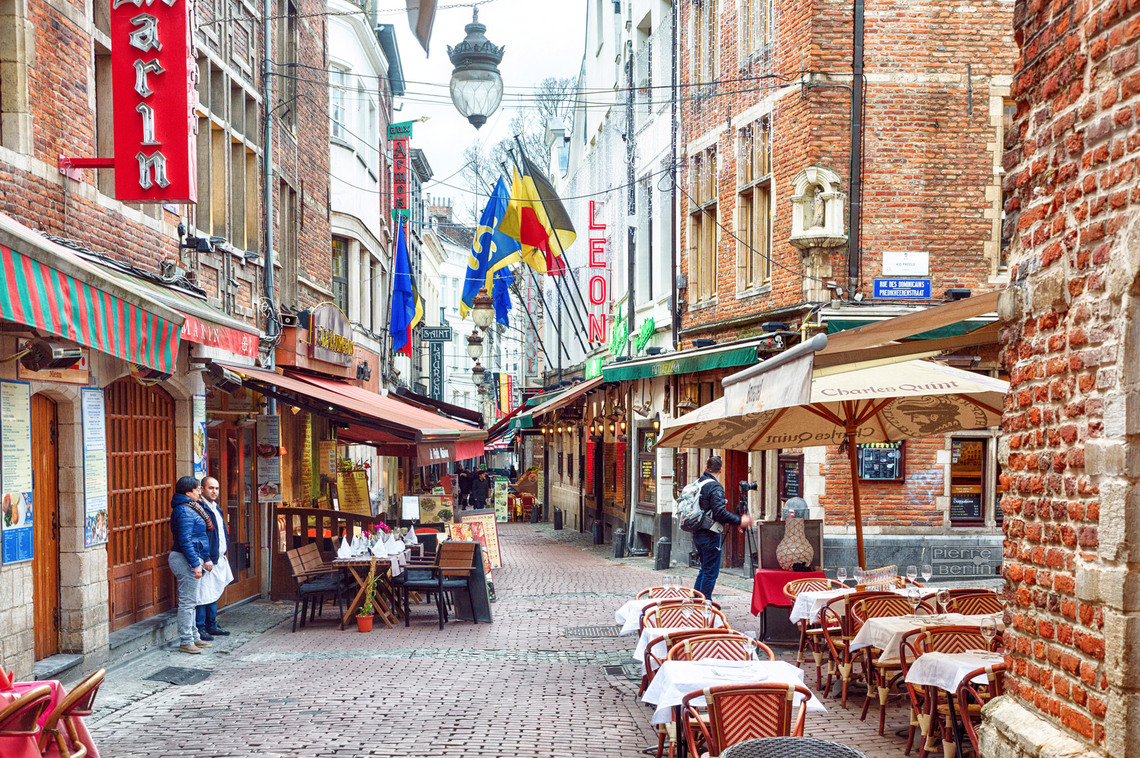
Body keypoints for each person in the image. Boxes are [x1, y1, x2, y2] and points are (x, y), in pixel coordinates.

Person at [168, 476, 218, 655]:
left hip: (192, 557)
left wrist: (205, 558)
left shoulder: (192, 508)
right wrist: (196, 563)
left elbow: (200, 538)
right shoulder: (184, 510)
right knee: (188, 602)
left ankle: (195, 637)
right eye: (197, 489)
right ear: (188, 492)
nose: (199, 492)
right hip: (184, 558)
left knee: (193, 600)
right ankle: (186, 640)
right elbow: (186, 540)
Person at [691, 455, 752, 600]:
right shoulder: (715, 486)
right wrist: (740, 520)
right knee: (710, 571)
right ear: (721, 470)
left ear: (705, 468)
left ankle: (696, 600)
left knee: (705, 568)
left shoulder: (699, 483)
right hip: (710, 534)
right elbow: (719, 513)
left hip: (697, 531)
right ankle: (704, 605)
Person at [195, 477, 234, 641]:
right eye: (211, 488)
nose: (214, 492)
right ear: (202, 489)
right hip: (207, 559)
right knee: (203, 594)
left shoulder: (216, 508)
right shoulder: (200, 508)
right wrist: (206, 557)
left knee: (213, 591)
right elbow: (200, 535)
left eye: (217, 488)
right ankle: (201, 626)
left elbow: (220, 532)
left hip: (218, 557)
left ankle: (212, 624)